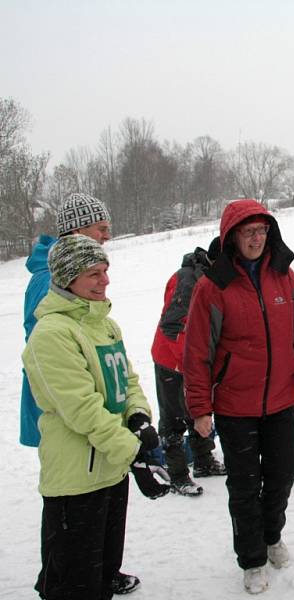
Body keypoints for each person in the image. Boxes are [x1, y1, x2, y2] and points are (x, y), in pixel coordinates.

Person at [182, 199, 294, 594]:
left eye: (262, 230)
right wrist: (200, 408)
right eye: (249, 232)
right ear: (231, 237)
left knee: (281, 477)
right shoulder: (214, 286)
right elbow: (196, 353)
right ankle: (251, 558)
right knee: (244, 486)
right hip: (234, 408)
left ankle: (271, 535)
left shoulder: (284, 277)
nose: (257, 238)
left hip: (281, 400)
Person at [22, 234, 170, 600]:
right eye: (94, 273)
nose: (105, 280)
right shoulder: (51, 334)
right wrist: (134, 454)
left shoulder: (104, 324)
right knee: (73, 583)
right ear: (68, 278)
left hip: (110, 468)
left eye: (105, 271)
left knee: (102, 570)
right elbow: (83, 409)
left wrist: (138, 418)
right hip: (76, 480)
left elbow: (127, 381)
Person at [21, 192, 112, 448]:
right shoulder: (48, 278)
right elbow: (45, 348)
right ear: (77, 230)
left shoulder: (75, 272)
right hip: (65, 399)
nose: (107, 236)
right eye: (101, 228)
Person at [150, 237, 226, 497]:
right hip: (171, 360)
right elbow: (171, 326)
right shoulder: (187, 279)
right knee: (173, 418)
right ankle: (178, 475)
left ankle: (204, 461)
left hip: (194, 360)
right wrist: (191, 363)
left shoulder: (213, 278)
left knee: (198, 408)